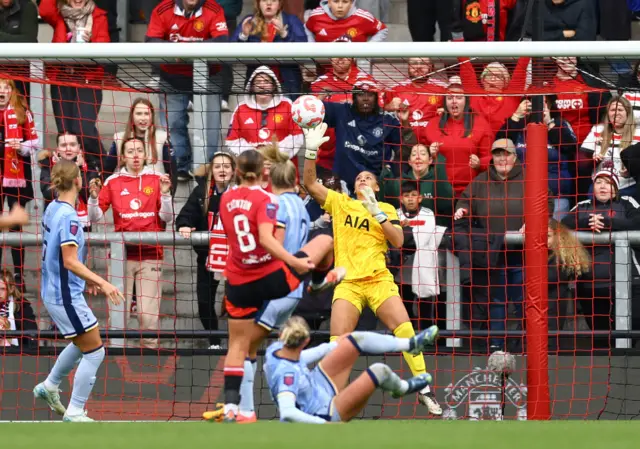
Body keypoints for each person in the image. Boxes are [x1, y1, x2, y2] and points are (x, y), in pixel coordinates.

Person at [302, 122, 442, 415]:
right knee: (338, 342)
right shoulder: (341, 204)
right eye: (359, 178)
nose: (363, 180)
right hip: (349, 283)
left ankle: (425, 390)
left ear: (377, 187)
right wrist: (311, 152)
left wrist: (377, 212)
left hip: (378, 280)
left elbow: (399, 241)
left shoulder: (388, 210)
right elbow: (310, 184)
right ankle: (330, 398)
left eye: (369, 178)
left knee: (405, 330)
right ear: (353, 187)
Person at [205, 149, 346, 423]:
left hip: (267, 281)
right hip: (294, 289)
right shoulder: (300, 205)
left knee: (241, 345)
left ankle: (242, 408)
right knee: (325, 241)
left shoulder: (267, 203)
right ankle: (318, 280)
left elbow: (272, 241)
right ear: (295, 183)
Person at [33, 159, 124, 422]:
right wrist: (104, 282)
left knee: (82, 341)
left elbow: (64, 257)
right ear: (77, 181)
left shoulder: (52, 208)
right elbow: (69, 260)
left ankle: (49, 386)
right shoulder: (70, 217)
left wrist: (88, 280)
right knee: (95, 351)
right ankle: (75, 411)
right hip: (64, 296)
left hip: (54, 290)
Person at [264, 316, 435, 423]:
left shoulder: (275, 350)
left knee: (353, 338)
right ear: (306, 341)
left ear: (281, 336)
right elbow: (287, 413)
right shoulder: (287, 375)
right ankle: (402, 388)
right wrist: (324, 425)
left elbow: (300, 358)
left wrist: (336, 345)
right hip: (323, 412)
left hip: (317, 384)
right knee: (379, 371)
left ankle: (409, 344)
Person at [88, 137, 173, 349]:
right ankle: (117, 357)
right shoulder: (113, 181)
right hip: (121, 257)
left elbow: (168, 218)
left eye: (139, 151)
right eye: (130, 151)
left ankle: (151, 356)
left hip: (151, 254)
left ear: (146, 154)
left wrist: (165, 194)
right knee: (119, 315)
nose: (135, 155)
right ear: (123, 156)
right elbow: (95, 217)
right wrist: (92, 198)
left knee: (147, 315)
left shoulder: (156, 178)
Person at [145, 0, 228, 182]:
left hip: (208, 75)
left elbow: (222, 40)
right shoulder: (162, 9)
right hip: (172, 76)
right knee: (173, 123)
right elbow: (151, 40)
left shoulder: (214, 9)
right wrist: (173, 49)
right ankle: (181, 165)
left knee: (211, 125)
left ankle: (206, 168)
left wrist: (190, 50)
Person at [561, 167, 640, 348]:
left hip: (628, 283)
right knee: (601, 339)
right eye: (599, 182)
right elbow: (562, 225)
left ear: (616, 187)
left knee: (630, 334)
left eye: (608, 182)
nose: (603, 186)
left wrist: (607, 223)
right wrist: (586, 222)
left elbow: (637, 221)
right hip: (590, 285)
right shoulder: (582, 207)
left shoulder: (627, 202)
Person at [38, 0, 110, 169]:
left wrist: (90, 41)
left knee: (83, 130)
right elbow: (44, 8)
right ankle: (72, 175)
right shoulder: (59, 14)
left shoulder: (98, 16)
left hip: (88, 80)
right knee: (66, 135)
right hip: (62, 80)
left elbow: (105, 48)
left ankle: (102, 165)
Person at [176, 151, 236, 349]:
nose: (222, 170)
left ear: (233, 171)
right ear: (211, 170)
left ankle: (240, 343)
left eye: (226, 166)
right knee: (203, 303)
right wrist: (184, 224)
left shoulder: (241, 192)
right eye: (217, 166)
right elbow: (185, 215)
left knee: (239, 304)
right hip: (208, 258)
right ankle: (215, 342)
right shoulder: (201, 191)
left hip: (236, 260)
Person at [323, 80, 417, 191]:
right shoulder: (342, 111)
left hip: (374, 186)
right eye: (360, 94)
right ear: (353, 97)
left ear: (377, 98)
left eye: (370, 94)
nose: (365, 98)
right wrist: (320, 95)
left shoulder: (388, 120)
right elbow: (311, 109)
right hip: (342, 186)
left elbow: (406, 152)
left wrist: (405, 123)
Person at [497, 96, 578, 220]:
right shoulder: (517, 125)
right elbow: (499, 146)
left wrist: (549, 122)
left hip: (556, 196)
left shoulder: (560, 123)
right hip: (519, 196)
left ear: (550, 104)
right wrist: (516, 115)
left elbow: (570, 148)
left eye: (545, 102)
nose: (540, 105)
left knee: (554, 236)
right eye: (536, 101)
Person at [311, 45, 378, 176]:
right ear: (330, 58)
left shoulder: (366, 81)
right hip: (327, 154)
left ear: (352, 56)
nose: (341, 58)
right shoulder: (318, 84)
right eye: (337, 53)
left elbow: (375, 112)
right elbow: (311, 115)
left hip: (358, 152)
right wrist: (319, 100)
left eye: (345, 53)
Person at [0, 76, 39, 290]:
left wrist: (21, 146)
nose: (2, 91)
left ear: (12, 90)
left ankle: (18, 275)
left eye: (6, 87)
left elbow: (34, 143)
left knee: (16, 226)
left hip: (17, 174)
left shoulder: (22, 110)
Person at [420, 84, 493, 197]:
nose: (454, 101)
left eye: (459, 97)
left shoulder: (480, 124)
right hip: (440, 188)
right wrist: (431, 155)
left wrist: (479, 163)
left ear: (466, 101)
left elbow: (490, 159)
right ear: (445, 102)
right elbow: (420, 156)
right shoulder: (432, 124)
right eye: (450, 98)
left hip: (471, 189)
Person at [395, 182, 446, 330]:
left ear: (420, 198)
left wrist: (406, 228)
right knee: (405, 306)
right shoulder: (395, 214)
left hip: (424, 268)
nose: (410, 199)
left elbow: (423, 237)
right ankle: (408, 337)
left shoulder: (428, 213)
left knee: (426, 307)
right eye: (406, 196)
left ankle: (427, 339)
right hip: (403, 271)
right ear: (400, 198)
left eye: (413, 195)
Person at [225, 66, 304, 160]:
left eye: (266, 81)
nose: (262, 85)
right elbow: (232, 140)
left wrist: (273, 153)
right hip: (252, 167)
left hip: (282, 167)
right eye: (258, 82)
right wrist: (254, 154)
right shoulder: (241, 109)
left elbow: (298, 137)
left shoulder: (288, 105)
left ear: (274, 85)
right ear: (252, 87)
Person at [233, 0, 307, 97]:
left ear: (279, 4)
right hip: (257, 84)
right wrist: (244, 36)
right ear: (258, 3)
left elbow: (303, 50)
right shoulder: (249, 21)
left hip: (287, 84)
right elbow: (233, 52)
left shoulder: (291, 20)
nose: (269, 3)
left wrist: (284, 34)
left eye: (273, 0)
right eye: (264, 0)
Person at [39, 132, 101, 234]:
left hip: (82, 226)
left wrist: (79, 169)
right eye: (63, 145)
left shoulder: (90, 166)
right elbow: (48, 193)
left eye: (72, 145)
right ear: (58, 149)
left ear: (79, 147)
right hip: (55, 223)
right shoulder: (48, 166)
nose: (68, 148)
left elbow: (88, 193)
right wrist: (60, 171)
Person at [581, 96, 639, 199]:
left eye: (620, 110)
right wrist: (592, 160)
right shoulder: (597, 129)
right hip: (600, 188)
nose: (616, 113)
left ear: (628, 113)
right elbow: (580, 162)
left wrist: (631, 171)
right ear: (608, 113)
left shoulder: (638, 133)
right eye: (612, 110)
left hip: (628, 188)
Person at [456, 55, 530, 135]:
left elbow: (520, 71)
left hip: (504, 143)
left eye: (498, 76)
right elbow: (466, 69)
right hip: (475, 144)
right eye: (489, 75)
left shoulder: (511, 97)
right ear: (482, 80)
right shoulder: (474, 94)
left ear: (505, 82)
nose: (493, 79)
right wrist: (457, 43)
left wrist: (528, 47)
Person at [546, 218, 591, 350]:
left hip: (551, 314)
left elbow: (550, 278)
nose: (542, 240)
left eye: (547, 236)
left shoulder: (561, 259)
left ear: (558, 237)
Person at [107, 98, 175, 181]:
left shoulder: (163, 138)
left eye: (146, 113)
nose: (143, 118)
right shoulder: (119, 138)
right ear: (132, 116)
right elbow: (107, 169)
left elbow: (173, 172)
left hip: (155, 191)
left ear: (152, 116)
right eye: (139, 114)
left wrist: (167, 192)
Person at [384, 57, 448, 136]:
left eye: (423, 63)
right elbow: (378, 110)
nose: (418, 67)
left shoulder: (443, 89)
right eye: (414, 63)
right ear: (408, 66)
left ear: (431, 66)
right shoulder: (395, 89)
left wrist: (447, 112)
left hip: (434, 142)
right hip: (405, 141)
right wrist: (388, 107)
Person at [305, 0, 388, 43]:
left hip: (358, 71)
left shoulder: (363, 17)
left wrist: (368, 50)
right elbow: (307, 27)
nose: (340, 6)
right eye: (336, 1)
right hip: (325, 71)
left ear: (351, 3)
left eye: (345, 1)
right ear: (329, 2)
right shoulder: (316, 16)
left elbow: (382, 29)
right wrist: (311, 49)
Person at [0, 268, 36, 348]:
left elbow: (32, 332)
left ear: (11, 288)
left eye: (2, 289)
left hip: (15, 352)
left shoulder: (22, 305)